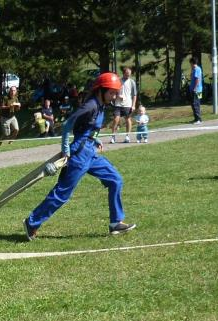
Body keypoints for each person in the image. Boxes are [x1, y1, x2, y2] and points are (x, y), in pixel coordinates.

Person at [23, 72, 136, 240]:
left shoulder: (100, 105)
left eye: (115, 92)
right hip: (78, 154)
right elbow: (68, 125)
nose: (114, 96)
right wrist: (65, 149)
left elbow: (87, 128)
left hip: (90, 152)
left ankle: (115, 223)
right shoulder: (90, 105)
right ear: (101, 90)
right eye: (111, 92)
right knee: (62, 193)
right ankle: (31, 222)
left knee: (115, 180)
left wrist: (95, 139)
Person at [110, 67, 137, 143]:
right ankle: (113, 137)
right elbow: (114, 91)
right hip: (118, 103)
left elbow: (134, 95)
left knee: (128, 119)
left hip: (127, 104)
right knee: (116, 119)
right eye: (127, 73)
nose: (129, 75)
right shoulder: (118, 80)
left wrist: (133, 105)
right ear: (124, 73)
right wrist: (118, 96)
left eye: (130, 74)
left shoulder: (132, 82)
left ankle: (127, 136)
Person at [189, 57, 203, 124]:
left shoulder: (197, 69)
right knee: (195, 104)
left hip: (196, 90)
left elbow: (197, 79)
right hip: (197, 89)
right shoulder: (195, 69)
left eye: (190, 63)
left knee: (195, 104)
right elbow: (191, 77)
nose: (190, 65)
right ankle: (196, 118)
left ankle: (198, 119)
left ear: (192, 63)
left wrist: (195, 88)